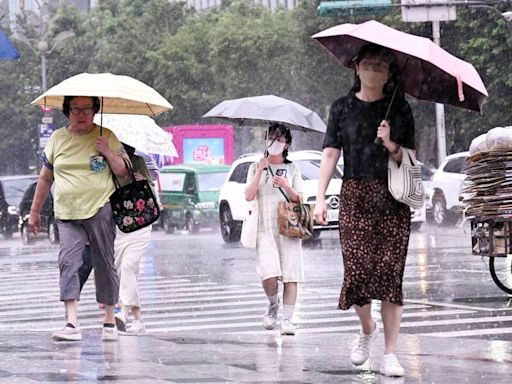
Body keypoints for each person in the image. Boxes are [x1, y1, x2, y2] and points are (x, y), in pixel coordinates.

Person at [314, 43, 415, 377]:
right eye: (368, 64)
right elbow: (330, 154)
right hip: (355, 195)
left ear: (389, 74)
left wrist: (389, 142)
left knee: (389, 277)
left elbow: (409, 159)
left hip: (392, 199)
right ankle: (367, 327)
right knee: (357, 275)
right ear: (356, 68)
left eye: (381, 65)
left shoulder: (398, 108)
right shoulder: (341, 108)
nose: (374, 70)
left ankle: (389, 353)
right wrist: (318, 198)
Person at [29, 95, 128, 342]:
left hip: (100, 208)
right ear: (67, 112)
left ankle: (108, 320)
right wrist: (34, 212)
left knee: (105, 262)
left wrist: (107, 151)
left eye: (86, 109)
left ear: (95, 110)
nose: (81, 114)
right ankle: (72, 323)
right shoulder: (57, 139)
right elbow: (45, 178)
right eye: (75, 109)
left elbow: (123, 171)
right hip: (67, 212)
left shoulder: (107, 136)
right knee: (68, 262)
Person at [244, 123, 304, 335]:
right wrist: (260, 171)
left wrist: (287, 185)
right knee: (268, 274)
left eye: (280, 139)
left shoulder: (293, 169)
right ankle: (273, 305)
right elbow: (249, 195)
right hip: (264, 229)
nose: (275, 142)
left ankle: (287, 320)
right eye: (271, 137)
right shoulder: (255, 167)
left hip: (287, 226)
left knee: (290, 275)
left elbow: (300, 199)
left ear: (287, 143)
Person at [114, 143, 153, 335]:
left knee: (129, 266)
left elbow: (150, 188)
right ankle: (138, 318)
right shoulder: (109, 162)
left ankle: (122, 312)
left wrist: (141, 179)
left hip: (141, 221)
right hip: (120, 223)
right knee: (124, 271)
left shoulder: (138, 161)